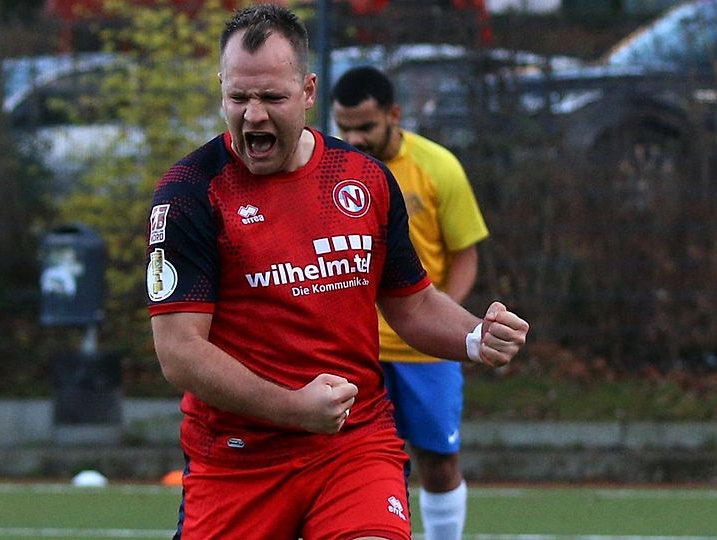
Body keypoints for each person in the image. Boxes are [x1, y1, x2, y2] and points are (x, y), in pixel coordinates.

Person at [145, 4, 529, 539]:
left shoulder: (362, 179)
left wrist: (473, 336)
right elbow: (179, 351)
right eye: (239, 97)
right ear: (221, 89)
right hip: (239, 461)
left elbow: (412, 303)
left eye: (272, 97)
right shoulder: (190, 193)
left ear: (307, 91)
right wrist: (293, 407)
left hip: (354, 445)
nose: (253, 115)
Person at [331, 65, 488, 540]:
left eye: (366, 127)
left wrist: (440, 320)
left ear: (394, 114)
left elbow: (465, 256)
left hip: (425, 353)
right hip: (357, 351)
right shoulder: (329, 168)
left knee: (438, 461)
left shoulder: (439, 167)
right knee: (344, 464)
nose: (353, 139)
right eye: (344, 128)